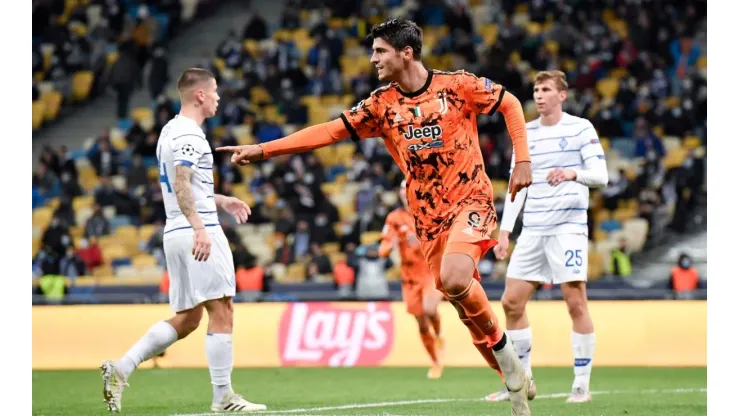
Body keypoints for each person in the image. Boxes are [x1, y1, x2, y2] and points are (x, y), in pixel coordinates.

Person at [217, 19, 534, 415]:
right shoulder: (380, 105)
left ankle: (509, 366)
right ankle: (513, 376)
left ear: (406, 52)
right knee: (458, 298)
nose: (372, 59)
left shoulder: (457, 85)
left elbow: (510, 103)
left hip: (471, 199)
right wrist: (264, 150)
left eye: (380, 51)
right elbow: (329, 132)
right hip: (427, 217)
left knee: (454, 279)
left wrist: (522, 159)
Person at [100, 68, 267, 413]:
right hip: (196, 230)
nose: (219, 97)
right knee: (222, 310)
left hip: (174, 231)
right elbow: (181, 183)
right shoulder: (191, 134)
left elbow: (189, 188)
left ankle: (123, 367)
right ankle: (223, 398)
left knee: (190, 318)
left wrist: (221, 200)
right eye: (215, 91)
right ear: (200, 95)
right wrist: (202, 228)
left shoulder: (169, 132)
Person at [486, 70, 608, 404]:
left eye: (545, 90)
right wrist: (505, 231)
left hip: (568, 228)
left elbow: (601, 176)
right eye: (536, 90)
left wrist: (572, 173)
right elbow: (516, 184)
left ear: (562, 95)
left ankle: (581, 383)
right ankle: (522, 380)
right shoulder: (525, 133)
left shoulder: (580, 128)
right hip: (534, 228)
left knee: (575, 302)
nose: (539, 95)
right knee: (511, 302)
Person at [378, 179, 445, 379]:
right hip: (409, 276)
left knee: (430, 308)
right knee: (421, 323)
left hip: (429, 270)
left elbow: (442, 236)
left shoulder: (429, 211)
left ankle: (440, 334)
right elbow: (385, 242)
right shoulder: (395, 217)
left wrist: (423, 240)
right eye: (400, 189)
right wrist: (386, 248)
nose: (403, 192)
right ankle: (435, 362)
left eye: (406, 188)